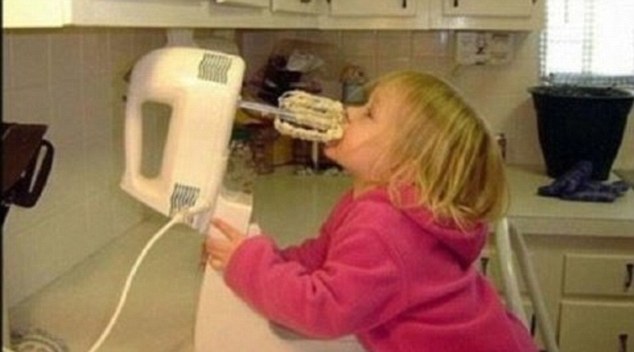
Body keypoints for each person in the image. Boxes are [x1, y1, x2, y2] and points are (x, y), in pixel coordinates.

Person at [202, 71, 539, 352]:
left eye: (369, 114)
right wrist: (263, 258)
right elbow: (320, 257)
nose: (348, 111)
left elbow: (322, 311)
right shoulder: (375, 202)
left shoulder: (385, 228)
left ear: (407, 164)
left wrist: (248, 265)